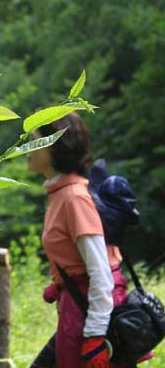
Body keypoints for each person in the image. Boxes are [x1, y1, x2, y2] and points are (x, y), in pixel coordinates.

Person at [27, 113, 150, 368]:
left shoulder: (74, 198)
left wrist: (95, 335)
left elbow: (101, 272)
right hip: (77, 307)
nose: (27, 149)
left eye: (34, 142)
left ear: (56, 147)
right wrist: (61, 281)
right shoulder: (60, 192)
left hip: (91, 314)